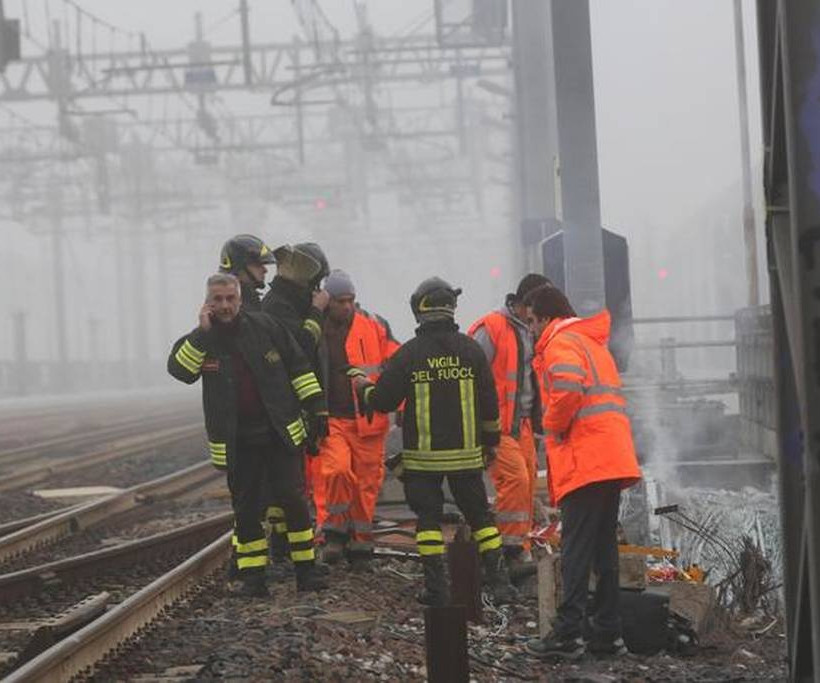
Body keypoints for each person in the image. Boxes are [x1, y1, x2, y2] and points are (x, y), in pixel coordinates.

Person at [352, 277, 517, 606]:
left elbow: (383, 400)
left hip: (422, 461)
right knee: (481, 519)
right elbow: (489, 402)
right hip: (467, 458)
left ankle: (437, 589)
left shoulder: (410, 354)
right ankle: (500, 585)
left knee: (427, 522)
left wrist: (361, 386)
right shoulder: (470, 350)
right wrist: (490, 442)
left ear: (419, 310)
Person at [167, 273, 328, 597]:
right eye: (218, 300)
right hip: (237, 441)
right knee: (247, 510)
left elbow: (299, 368)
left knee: (293, 501)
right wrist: (201, 334)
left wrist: (317, 411)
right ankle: (254, 579)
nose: (225, 306)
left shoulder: (266, 328)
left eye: (230, 299)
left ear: (239, 299)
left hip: (278, 434)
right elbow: (181, 371)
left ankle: (306, 572)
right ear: (207, 303)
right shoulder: (202, 339)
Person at [522, 285, 641, 660]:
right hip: (610, 458)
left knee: (574, 549)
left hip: (586, 459)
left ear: (545, 317)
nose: (530, 330)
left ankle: (568, 634)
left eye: (531, 322)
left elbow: (569, 391)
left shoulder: (560, 343)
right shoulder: (591, 344)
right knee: (604, 549)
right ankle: (607, 632)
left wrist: (551, 425)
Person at [314, 269, 400, 569]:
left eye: (351, 300)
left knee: (366, 487)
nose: (347, 306)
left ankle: (361, 546)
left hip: (369, 421)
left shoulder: (375, 326)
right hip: (333, 420)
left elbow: (395, 363)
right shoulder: (314, 328)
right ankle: (335, 531)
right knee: (337, 471)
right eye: (340, 300)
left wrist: (398, 404)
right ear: (328, 300)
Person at [468, 273, 549, 576]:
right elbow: (470, 371)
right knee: (515, 480)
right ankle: (509, 551)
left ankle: (519, 545)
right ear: (521, 304)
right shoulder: (491, 329)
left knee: (526, 485)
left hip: (522, 424)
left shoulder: (533, 329)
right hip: (496, 425)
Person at [260, 242, 331, 565]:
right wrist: (316, 311)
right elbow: (300, 348)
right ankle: (286, 552)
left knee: (284, 486)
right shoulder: (280, 307)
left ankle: (281, 548)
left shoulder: (283, 302)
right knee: (287, 486)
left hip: (291, 404)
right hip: (285, 406)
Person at [218, 234, 276, 310]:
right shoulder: (232, 312)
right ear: (238, 269)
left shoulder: (250, 303)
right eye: (258, 265)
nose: (265, 270)